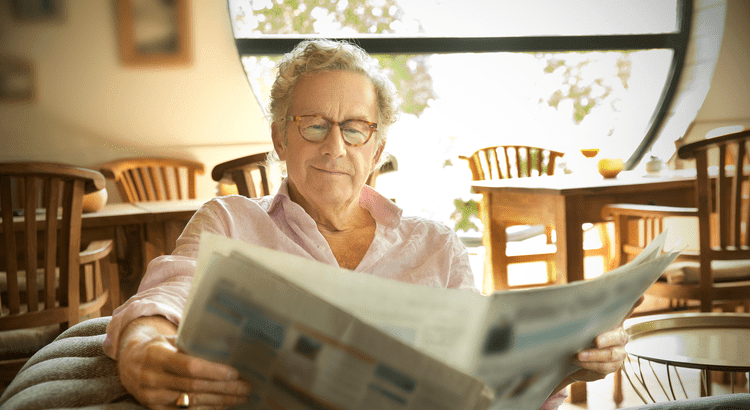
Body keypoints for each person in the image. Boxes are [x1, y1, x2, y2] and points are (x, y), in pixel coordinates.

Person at [103, 39, 631, 410]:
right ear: (280, 139)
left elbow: (480, 377)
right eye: (313, 125)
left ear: (377, 149)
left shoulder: (435, 244)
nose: (335, 147)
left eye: (355, 128)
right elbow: (165, 297)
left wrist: (566, 362)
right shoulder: (230, 221)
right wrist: (140, 348)